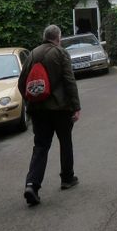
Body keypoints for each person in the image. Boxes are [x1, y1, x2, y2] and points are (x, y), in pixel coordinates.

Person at [17, 24, 82, 207]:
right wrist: (76, 107)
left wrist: (31, 101)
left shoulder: (32, 54)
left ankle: (32, 185)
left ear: (45, 36)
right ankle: (67, 178)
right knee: (65, 142)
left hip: (38, 111)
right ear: (58, 38)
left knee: (40, 146)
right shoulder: (60, 53)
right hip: (61, 109)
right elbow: (69, 81)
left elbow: (22, 83)